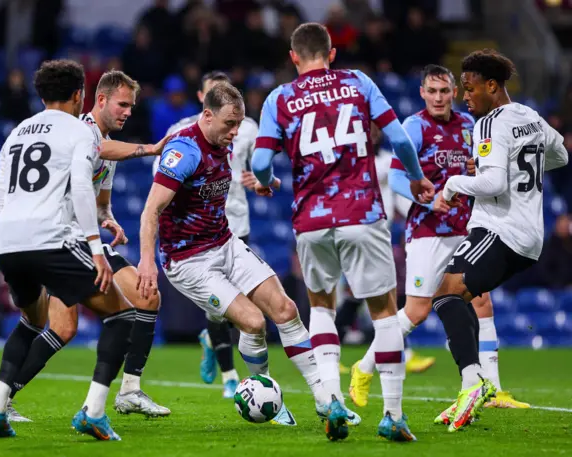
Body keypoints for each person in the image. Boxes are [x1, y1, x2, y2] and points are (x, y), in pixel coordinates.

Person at [137, 81, 351, 440]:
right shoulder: (184, 151)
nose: (235, 133)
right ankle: (272, 402)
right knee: (253, 323)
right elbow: (150, 210)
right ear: (207, 115)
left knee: (285, 310)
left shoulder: (224, 142)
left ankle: (325, 400)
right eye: (228, 125)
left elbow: (232, 179)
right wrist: (146, 261)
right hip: (189, 260)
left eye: (238, 125)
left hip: (225, 242)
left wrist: (266, 183)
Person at [251, 22, 434, 442]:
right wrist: (419, 178)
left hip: (312, 220)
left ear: (293, 57)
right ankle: (392, 414)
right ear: (332, 53)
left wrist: (264, 180)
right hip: (362, 211)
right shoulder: (358, 82)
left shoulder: (280, 98)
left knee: (321, 307)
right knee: (384, 310)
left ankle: (332, 399)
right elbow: (401, 140)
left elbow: (260, 161)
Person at [0, 70, 170, 423]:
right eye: (122, 104)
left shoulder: (30, 133)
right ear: (94, 99)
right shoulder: (78, 127)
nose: (128, 111)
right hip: (62, 237)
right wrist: (150, 149)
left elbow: (98, 197)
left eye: (132, 106)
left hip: (39, 236)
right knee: (84, 321)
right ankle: (84, 406)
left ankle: (129, 390)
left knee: (141, 297)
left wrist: (108, 216)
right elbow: (97, 152)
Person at [351, 64, 530, 410]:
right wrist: (427, 199)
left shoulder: (469, 125)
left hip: (466, 229)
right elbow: (398, 178)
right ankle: (363, 367)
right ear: (422, 93)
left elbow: (480, 167)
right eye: (432, 91)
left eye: (444, 91)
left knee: (481, 302)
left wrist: (478, 169)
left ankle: (492, 389)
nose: (438, 97)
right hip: (427, 232)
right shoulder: (414, 127)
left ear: (453, 93)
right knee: (416, 311)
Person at [431, 49, 568, 432]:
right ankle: (472, 387)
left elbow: (492, 184)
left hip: (499, 227)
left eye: (470, 88)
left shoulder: (489, 123)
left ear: (492, 86)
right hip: (530, 236)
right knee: (468, 297)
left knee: (444, 293)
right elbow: (558, 155)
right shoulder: (531, 116)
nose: (464, 96)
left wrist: (454, 182)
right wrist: (508, 159)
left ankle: (473, 381)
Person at [153, 71, 258, 398]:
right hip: (199, 232)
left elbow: (255, 165)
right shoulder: (179, 133)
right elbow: (161, 180)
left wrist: (260, 179)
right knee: (222, 308)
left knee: (239, 304)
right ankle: (230, 377)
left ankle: (212, 340)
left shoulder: (248, 129)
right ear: (203, 99)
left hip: (236, 223)